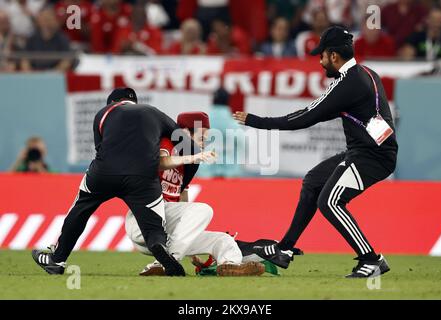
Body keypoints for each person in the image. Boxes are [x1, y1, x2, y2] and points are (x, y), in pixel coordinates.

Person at [233, 26, 398, 278]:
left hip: (371, 156)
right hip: (368, 151)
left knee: (330, 202)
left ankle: (372, 260)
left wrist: (257, 121)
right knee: (313, 182)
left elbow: (305, 117)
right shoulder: (366, 73)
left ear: (333, 56)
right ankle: (284, 250)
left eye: (321, 55)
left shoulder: (348, 83)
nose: (320, 62)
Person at [31, 87, 194, 277]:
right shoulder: (154, 113)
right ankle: (158, 244)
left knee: (81, 209)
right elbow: (188, 145)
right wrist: (184, 180)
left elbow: (99, 148)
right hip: (143, 175)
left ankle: (57, 259)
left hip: (105, 171)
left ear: (112, 102)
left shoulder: (103, 113)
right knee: (154, 227)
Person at [126, 112, 265, 276]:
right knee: (204, 209)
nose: (204, 143)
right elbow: (161, 163)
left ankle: (230, 264)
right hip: (143, 223)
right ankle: (165, 262)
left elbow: (183, 207)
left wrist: (192, 253)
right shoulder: (167, 142)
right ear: (184, 132)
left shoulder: (189, 163)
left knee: (223, 239)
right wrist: (193, 157)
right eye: (201, 137)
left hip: (166, 233)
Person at [20, 6, 72, 72]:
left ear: (54, 20)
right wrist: (29, 73)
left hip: (55, 76)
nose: (46, 22)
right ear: (39, 21)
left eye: (49, 19)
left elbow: (66, 61)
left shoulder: (62, 39)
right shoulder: (32, 38)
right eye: (44, 19)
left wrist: (52, 74)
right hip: (34, 74)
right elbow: (25, 59)